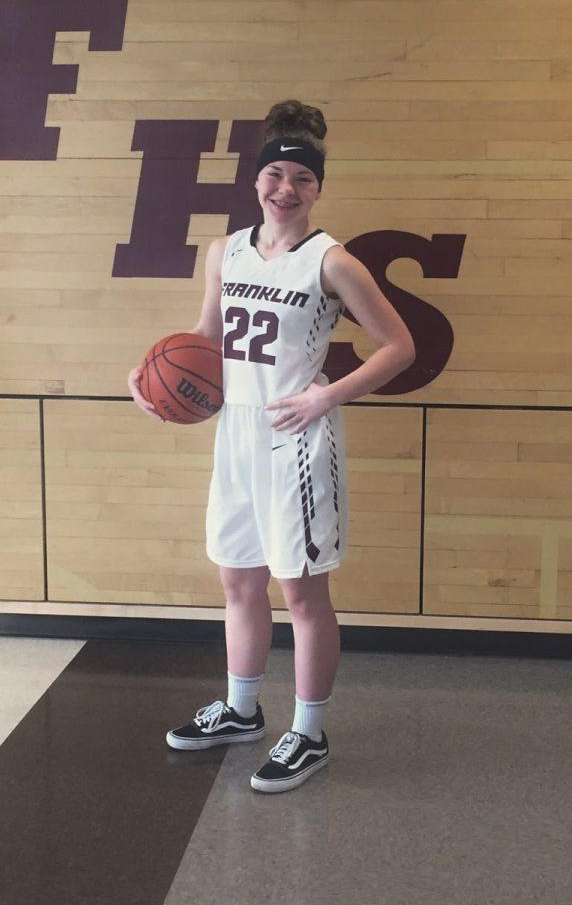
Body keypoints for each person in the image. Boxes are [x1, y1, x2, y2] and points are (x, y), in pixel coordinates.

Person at [127, 100, 414, 793]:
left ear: (319, 188)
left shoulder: (332, 261)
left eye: (302, 180)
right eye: (275, 175)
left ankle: (309, 732)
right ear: (256, 178)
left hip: (296, 442)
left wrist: (326, 395)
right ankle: (241, 709)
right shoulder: (224, 250)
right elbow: (206, 345)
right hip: (237, 438)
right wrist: (153, 382)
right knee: (238, 580)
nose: (285, 189)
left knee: (302, 593)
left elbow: (400, 347)